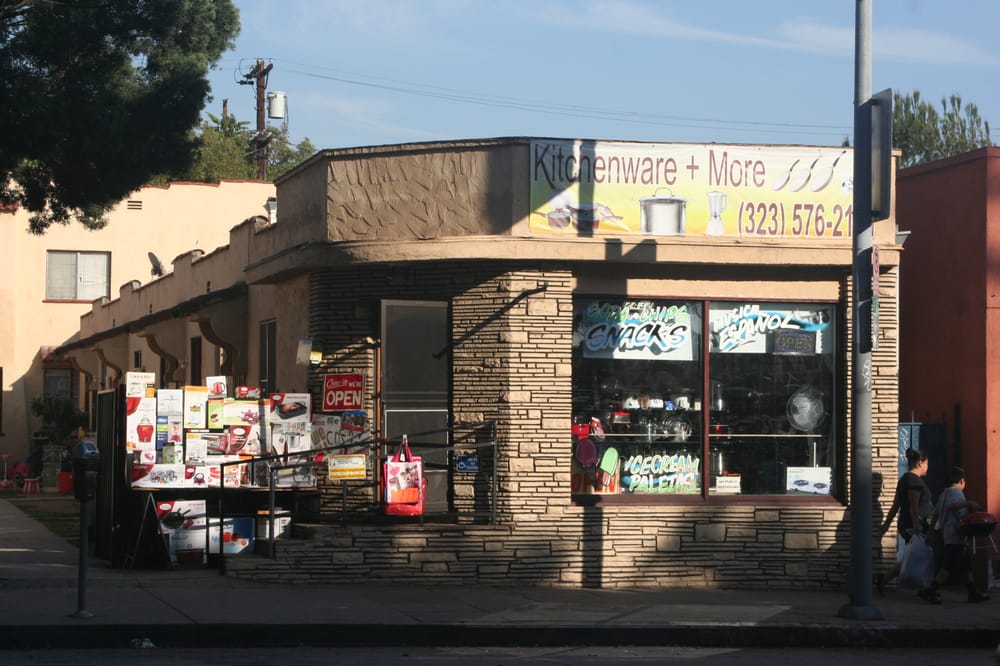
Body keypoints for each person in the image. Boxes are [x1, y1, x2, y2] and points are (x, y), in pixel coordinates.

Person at [875, 448, 937, 601]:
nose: (927, 467)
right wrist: (916, 525)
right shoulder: (913, 481)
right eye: (926, 463)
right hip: (914, 525)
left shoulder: (904, 479)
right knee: (922, 555)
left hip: (910, 524)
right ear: (919, 463)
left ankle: (883, 580)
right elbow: (913, 504)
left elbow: (895, 505)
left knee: (914, 556)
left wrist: (886, 525)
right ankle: (926, 588)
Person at [926, 466, 991, 603]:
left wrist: (930, 532)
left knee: (965, 566)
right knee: (947, 566)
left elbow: (935, 515)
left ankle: (972, 593)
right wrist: (969, 503)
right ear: (962, 481)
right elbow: (952, 506)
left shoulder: (944, 493)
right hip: (954, 535)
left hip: (949, 535)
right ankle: (931, 590)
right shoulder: (956, 493)